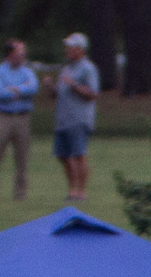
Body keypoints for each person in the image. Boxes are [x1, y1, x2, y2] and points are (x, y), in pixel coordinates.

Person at [0, 39, 39, 201]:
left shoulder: (28, 72)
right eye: (19, 52)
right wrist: (21, 90)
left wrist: (16, 89)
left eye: (24, 52)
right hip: (2, 117)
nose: (23, 55)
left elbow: (34, 88)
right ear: (10, 54)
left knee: (22, 158)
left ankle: (20, 195)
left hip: (22, 118)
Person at [52, 32, 100, 202]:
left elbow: (92, 94)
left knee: (79, 154)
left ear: (80, 49)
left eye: (71, 47)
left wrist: (74, 85)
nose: (67, 50)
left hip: (79, 118)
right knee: (63, 155)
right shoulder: (67, 68)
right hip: (63, 119)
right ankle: (71, 189)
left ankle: (82, 191)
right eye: (67, 47)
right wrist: (52, 87)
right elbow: (60, 92)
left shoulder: (88, 68)